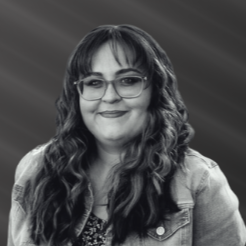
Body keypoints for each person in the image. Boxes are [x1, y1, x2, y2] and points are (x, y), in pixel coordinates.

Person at [7, 24, 246, 246]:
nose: (109, 96)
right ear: (77, 94)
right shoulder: (36, 169)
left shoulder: (200, 181)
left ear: (156, 90)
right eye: (94, 82)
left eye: (128, 80)